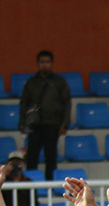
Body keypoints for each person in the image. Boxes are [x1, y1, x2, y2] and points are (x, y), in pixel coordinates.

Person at [19, 50, 71, 180]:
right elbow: (24, 103)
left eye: (47, 62)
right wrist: (22, 122)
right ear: (38, 64)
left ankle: (50, 184)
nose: (45, 65)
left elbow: (67, 103)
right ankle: (30, 184)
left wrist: (65, 124)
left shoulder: (59, 82)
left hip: (53, 123)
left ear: (52, 63)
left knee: (51, 156)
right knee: (31, 156)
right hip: (34, 124)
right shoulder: (31, 82)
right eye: (42, 62)